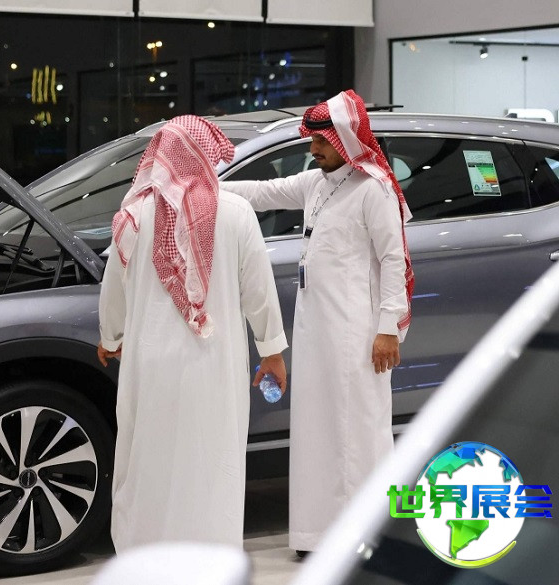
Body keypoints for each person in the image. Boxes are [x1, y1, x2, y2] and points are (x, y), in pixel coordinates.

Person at [221, 89, 414, 556]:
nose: (313, 149)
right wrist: (205, 186)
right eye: (312, 140)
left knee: (358, 431)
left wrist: (388, 328)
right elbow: (262, 194)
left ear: (345, 139)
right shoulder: (316, 183)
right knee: (317, 430)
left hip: (358, 332)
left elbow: (394, 260)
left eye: (321, 141)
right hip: (315, 330)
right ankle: (318, 535)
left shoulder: (373, 188)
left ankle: (367, 534)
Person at [97, 115, 289, 553]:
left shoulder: (133, 216)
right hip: (214, 364)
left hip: (150, 365)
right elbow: (258, 291)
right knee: (212, 458)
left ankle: (145, 559)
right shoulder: (235, 211)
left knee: (149, 459)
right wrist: (272, 351)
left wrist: (110, 338)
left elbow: (113, 291)